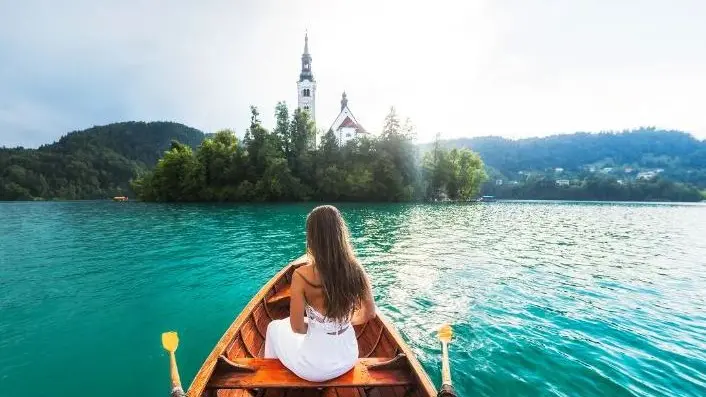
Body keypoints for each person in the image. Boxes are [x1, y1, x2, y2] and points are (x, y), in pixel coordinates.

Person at [264, 205, 377, 382]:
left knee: (273, 328)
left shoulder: (301, 276)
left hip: (313, 368)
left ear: (312, 238)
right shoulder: (356, 269)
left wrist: (318, 327)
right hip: (348, 358)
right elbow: (370, 313)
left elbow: (297, 327)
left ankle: (268, 381)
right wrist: (342, 323)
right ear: (340, 233)